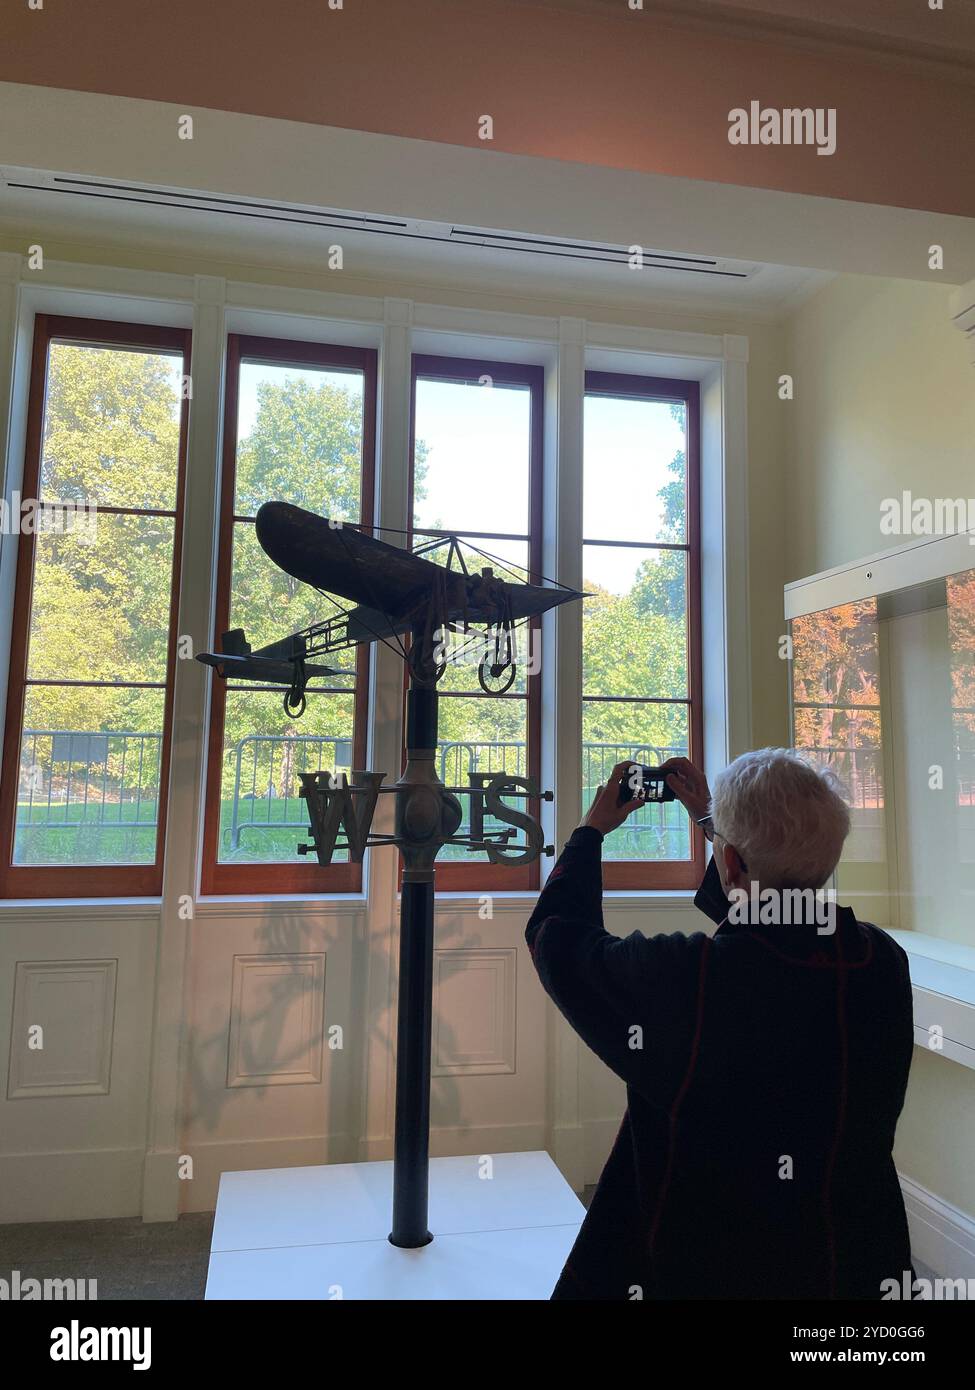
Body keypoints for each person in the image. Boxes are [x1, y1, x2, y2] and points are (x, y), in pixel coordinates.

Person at [526, 749, 914, 1300]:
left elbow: (557, 939)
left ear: (729, 865)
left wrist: (591, 832)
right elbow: (774, 928)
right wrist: (716, 827)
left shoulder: (694, 979)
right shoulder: (880, 960)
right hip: (855, 1260)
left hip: (718, 1263)